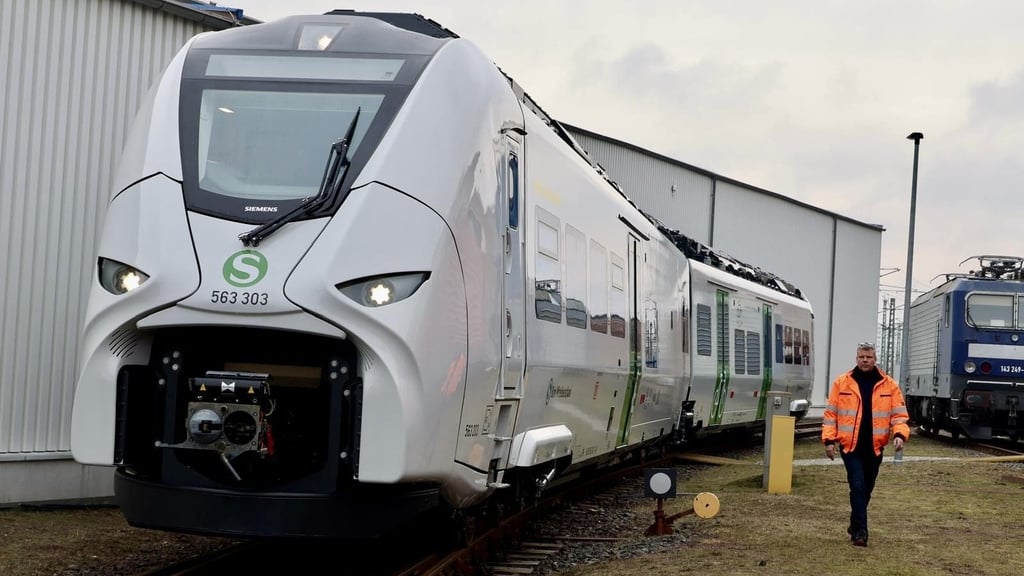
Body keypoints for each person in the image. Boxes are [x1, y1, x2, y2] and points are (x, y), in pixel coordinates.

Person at [821, 342, 910, 547]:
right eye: (861, 356)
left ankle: (855, 522)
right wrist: (829, 440)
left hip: (875, 447)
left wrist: (899, 434)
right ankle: (861, 532)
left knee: (866, 488)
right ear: (856, 358)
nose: (865, 360)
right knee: (858, 485)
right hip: (850, 447)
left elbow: (899, 415)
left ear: (875, 358)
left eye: (869, 357)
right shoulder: (842, 383)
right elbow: (830, 415)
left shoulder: (889, 385)